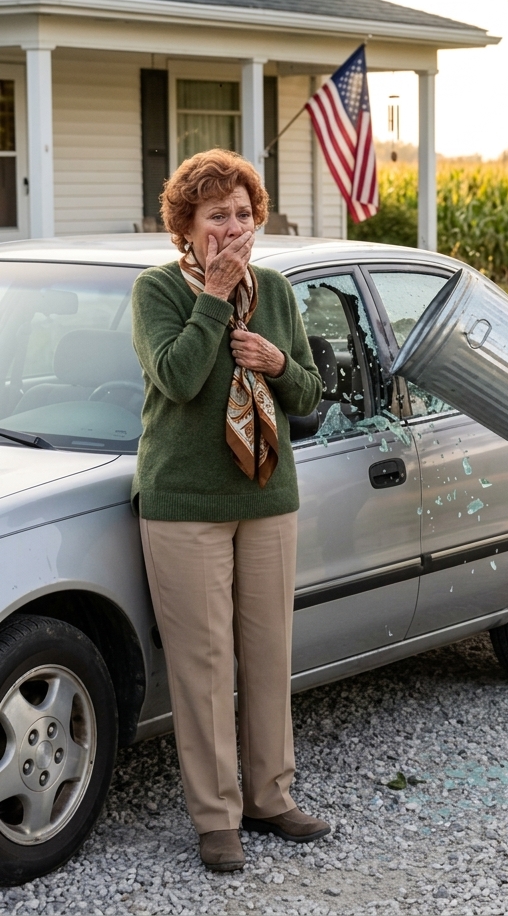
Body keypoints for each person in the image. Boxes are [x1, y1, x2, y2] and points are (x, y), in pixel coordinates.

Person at [132, 149, 326, 871]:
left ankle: (271, 797)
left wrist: (278, 364)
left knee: (269, 653)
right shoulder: (157, 291)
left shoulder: (275, 291)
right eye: (218, 216)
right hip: (184, 500)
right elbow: (179, 379)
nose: (235, 228)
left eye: (244, 215)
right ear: (187, 226)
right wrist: (213, 299)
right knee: (204, 664)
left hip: (268, 495)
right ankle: (217, 818)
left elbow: (306, 393)